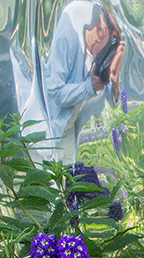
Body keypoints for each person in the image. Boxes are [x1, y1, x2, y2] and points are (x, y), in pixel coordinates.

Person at [43, 2, 125, 164]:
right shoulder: (69, 35)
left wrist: (114, 78)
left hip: (70, 133)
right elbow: (55, 92)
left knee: (68, 185)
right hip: (49, 133)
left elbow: (112, 102)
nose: (109, 52)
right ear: (100, 30)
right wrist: (89, 88)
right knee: (50, 185)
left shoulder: (96, 58)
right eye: (110, 44)